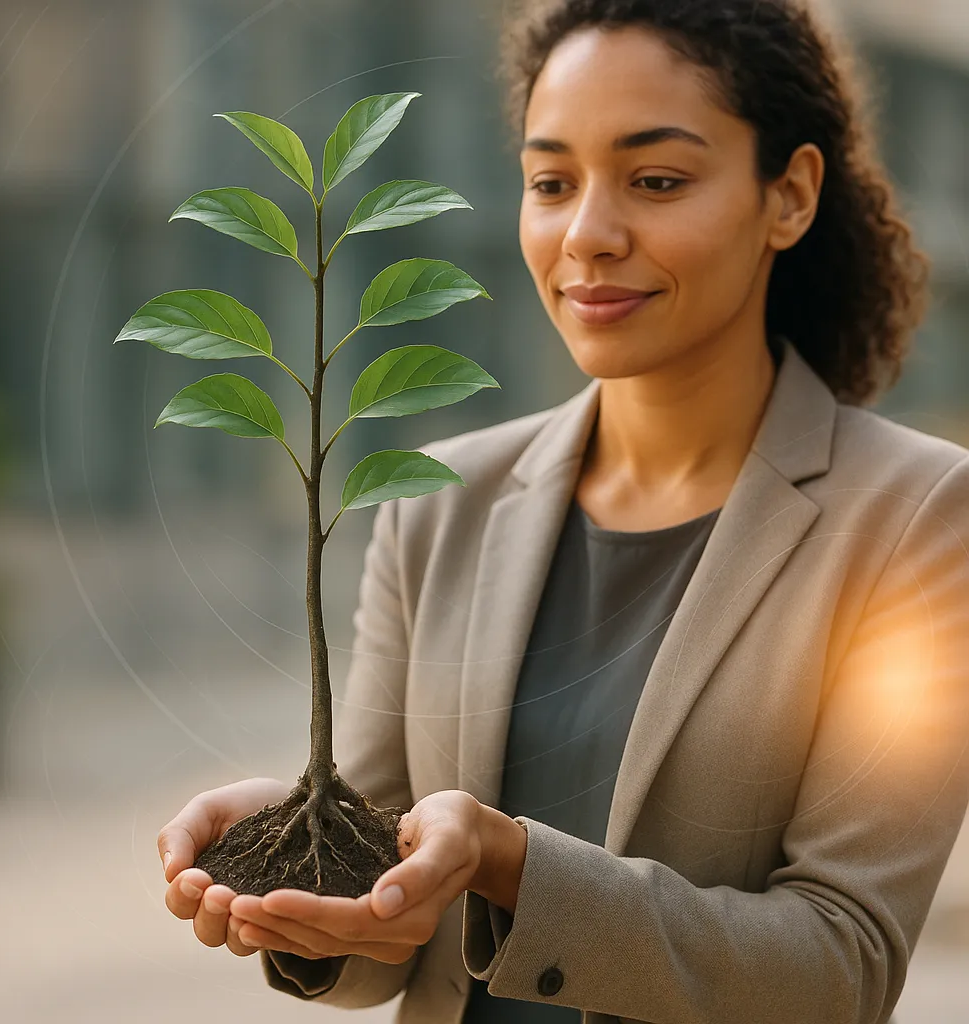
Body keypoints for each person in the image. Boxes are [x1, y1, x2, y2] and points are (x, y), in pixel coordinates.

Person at [156, 1, 969, 1021]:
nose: (586, 234)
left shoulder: (914, 520)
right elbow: (387, 940)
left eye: (656, 180)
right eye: (551, 182)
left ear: (789, 196)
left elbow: (839, 967)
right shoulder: (436, 503)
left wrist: (510, 863)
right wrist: (305, 886)